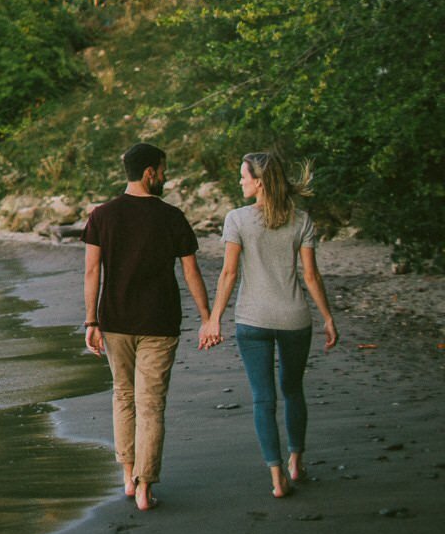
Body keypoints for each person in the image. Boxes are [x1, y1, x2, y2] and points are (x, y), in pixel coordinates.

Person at [200, 151, 339, 498]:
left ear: (259, 182)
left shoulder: (237, 219)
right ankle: (296, 461)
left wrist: (214, 318)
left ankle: (277, 477)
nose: (240, 181)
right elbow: (310, 275)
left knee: (264, 399)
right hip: (295, 318)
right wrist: (327, 317)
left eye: (244, 176)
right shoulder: (302, 219)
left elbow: (229, 273)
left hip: (253, 320)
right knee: (293, 390)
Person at [83, 141, 212, 511]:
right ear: (150, 173)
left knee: (123, 395)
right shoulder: (171, 216)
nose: (165, 176)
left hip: (115, 320)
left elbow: (92, 271)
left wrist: (91, 319)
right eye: (163, 169)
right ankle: (144, 486)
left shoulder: (101, 216)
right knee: (150, 405)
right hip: (160, 320)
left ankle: (128, 476)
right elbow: (191, 271)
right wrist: (206, 316)